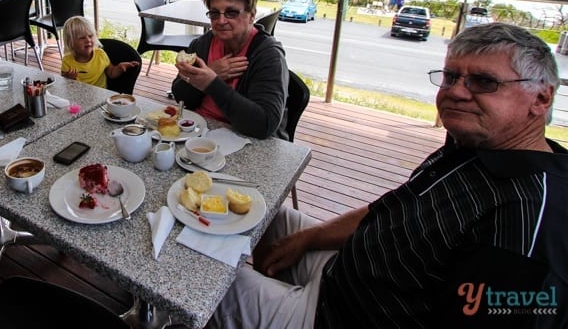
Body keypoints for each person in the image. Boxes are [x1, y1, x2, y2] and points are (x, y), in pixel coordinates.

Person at [211, 22, 567, 329]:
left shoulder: (523, 230)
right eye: (452, 76)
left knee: (206, 280)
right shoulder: (474, 147)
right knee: (250, 203)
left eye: (484, 82)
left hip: (336, 316)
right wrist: (310, 237)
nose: (457, 91)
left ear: (541, 98)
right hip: (343, 268)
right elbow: (395, 208)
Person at [171, 0, 288, 140]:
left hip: (245, 141)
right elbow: (180, 96)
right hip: (198, 132)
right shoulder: (202, 44)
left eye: (231, 13)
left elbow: (264, 125)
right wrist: (211, 73)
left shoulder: (268, 56)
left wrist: (212, 83)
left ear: (251, 15)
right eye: (214, 13)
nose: (221, 21)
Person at [60, 15, 139, 88]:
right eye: (82, 38)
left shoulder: (100, 54)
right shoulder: (67, 61)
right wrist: (68, 78)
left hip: (100, 94)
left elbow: (111, 72)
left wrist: (120, 67)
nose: (88, 40)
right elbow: (65, 84)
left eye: (90, 36)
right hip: (78, 95)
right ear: (71, 43)